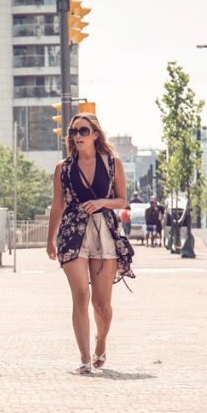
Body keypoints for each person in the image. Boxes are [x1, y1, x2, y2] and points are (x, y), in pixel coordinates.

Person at [46, 112, 133, 374]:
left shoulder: (111, 163)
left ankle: (101, 342)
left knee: (101, 304)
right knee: (81, 295)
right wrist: (50, 240)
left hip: (104, 231)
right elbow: (57, 204)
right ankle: (84, 359)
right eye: (73, 132)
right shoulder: (63, 167)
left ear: (95, 134)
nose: (78, 136)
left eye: (83, 131)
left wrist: (102, 203)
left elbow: (122, 201)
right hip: (73, 232)